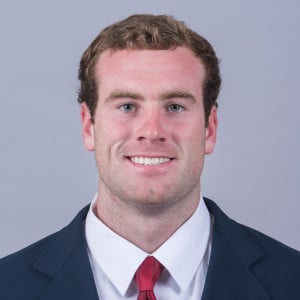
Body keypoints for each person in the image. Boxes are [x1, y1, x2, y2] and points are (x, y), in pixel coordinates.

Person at [0, 14, 299, 300]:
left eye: (175, 107)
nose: (152, 131)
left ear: (209, 128)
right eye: (127, 106)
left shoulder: (291, 279)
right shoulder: (8, 286)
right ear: (89, 126)